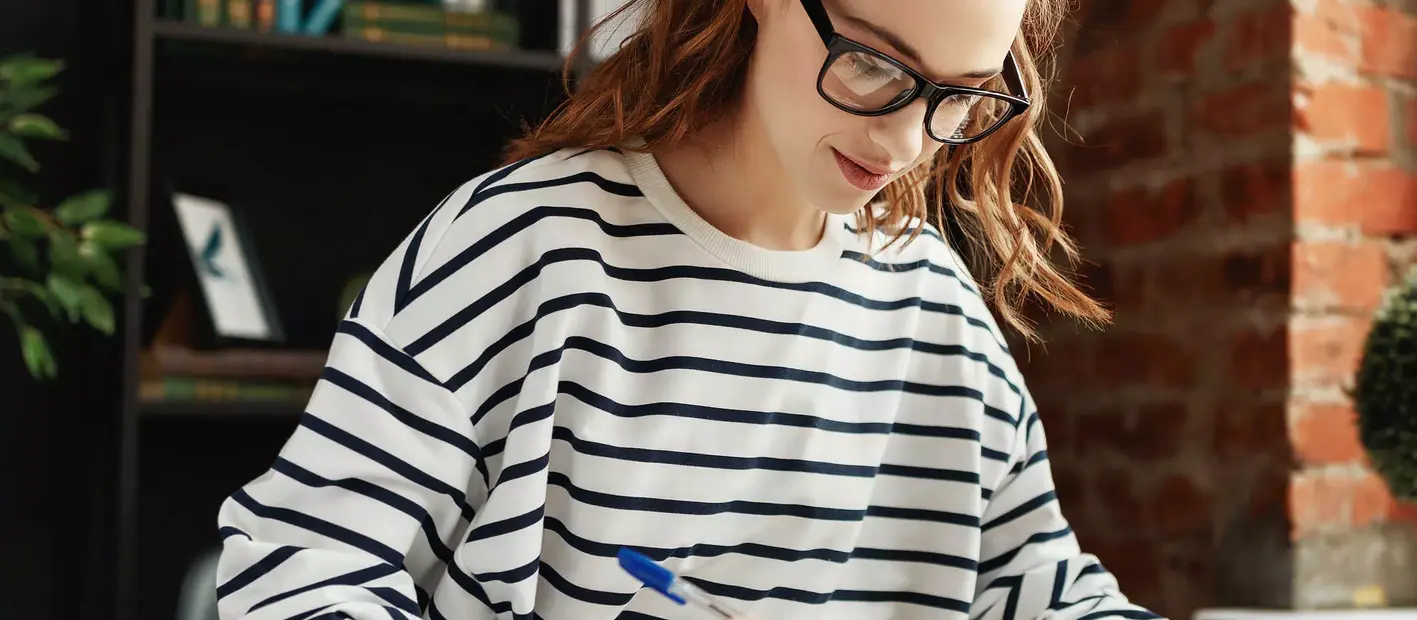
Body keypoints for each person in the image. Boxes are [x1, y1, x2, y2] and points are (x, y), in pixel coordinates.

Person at [212, 0, 1160, 619]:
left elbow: (1041, 590)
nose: (909, 139)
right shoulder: (522, 253)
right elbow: (299, 571)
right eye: (876, 64)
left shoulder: (939, 317)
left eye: (959, 96)